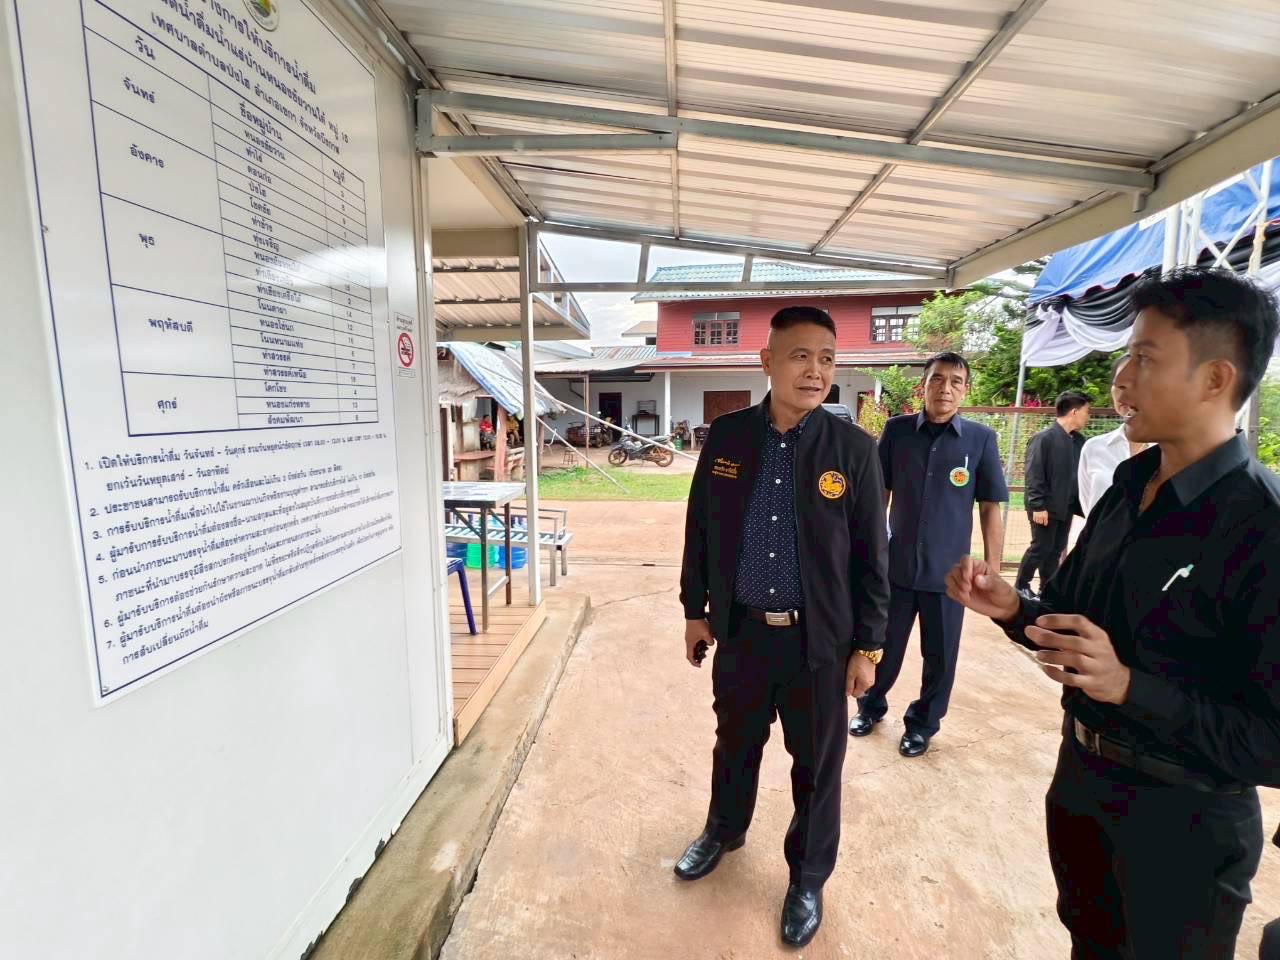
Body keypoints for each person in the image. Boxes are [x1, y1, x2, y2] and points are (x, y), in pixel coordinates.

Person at [944, 266, 1280, 959]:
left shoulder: (1261, 526)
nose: (1120, 378)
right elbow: (1071, 621)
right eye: (1126, 355)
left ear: (1216, 379)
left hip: (1184, 826)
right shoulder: (1131, 482)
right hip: (1084, 785)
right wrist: (1013, 608)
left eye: (1144, 358)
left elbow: (1271, 742)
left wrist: (1129, 687)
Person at [677, 305, 889, 949]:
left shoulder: (853, 450)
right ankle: (724, 830)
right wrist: (694, 611)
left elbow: (871, 556)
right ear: (767, 361)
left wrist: (868, 647)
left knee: (817, 767)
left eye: (827, 359)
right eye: (801, 356)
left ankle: (807, 878)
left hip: (818, 644)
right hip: (742, 634)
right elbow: (700, 527)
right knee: (734, 742)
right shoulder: (728, 437)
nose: (816, 371)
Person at [849, 352, 1008, 757]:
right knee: (882, 646)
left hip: (950, 576)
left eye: (956, 381)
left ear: (965, 389)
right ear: (924, 384)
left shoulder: (980, 439)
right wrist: (868, 551)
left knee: (940, 657)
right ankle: (870, 706)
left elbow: (990, 506)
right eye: (938, 379)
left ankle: (922, 724)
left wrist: (992, 566)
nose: (945, 388)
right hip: (896, 569)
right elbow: (879, 495)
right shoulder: (897, 432)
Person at [1014, 391, 1090, 595]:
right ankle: (1020, 586)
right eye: (1086, 412)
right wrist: (1038, 505)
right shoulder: (1043, 439)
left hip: (1065, 507)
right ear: (1074, 412)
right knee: (1040, 548)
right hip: (1045, 507)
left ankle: (1046, 591)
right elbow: (1034, 474)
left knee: (1055, 551)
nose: (1088, 417)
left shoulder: (1079, 441)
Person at [1077, 357, 1149, 517]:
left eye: (1135, 383)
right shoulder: (1093, 448)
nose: (1124, 393)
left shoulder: (1173, 451)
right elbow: (1090, 511)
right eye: (1119, 385)